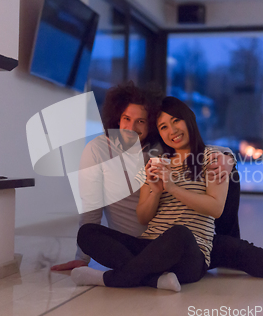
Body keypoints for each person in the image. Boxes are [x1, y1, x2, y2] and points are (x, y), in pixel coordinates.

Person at [68, 97, 263, 291]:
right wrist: (155, 189)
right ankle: (153, 280)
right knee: (89, 233)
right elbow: (143, 216)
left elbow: (215, 209)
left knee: (188, 237)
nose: (171, 130)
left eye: (176, 121)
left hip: (191, 251)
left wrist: (173, 186)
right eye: (163, 127)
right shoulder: (156, 163)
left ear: (189, 120)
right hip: (152, 245)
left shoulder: (215, 156)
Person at [51, 82, 236, 271]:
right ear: (117, 118)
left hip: (169, 240)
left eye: (141, 121)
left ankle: (141, 272)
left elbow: (198, 148)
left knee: (225, 170)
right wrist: (82, 259)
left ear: (150, 125)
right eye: (126, 118)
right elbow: (91, 209)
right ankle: (148, 272)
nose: (132, 127)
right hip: (131, 244)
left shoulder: (158, 147)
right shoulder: (97, 151)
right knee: (87, 233)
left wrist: (228, 157)